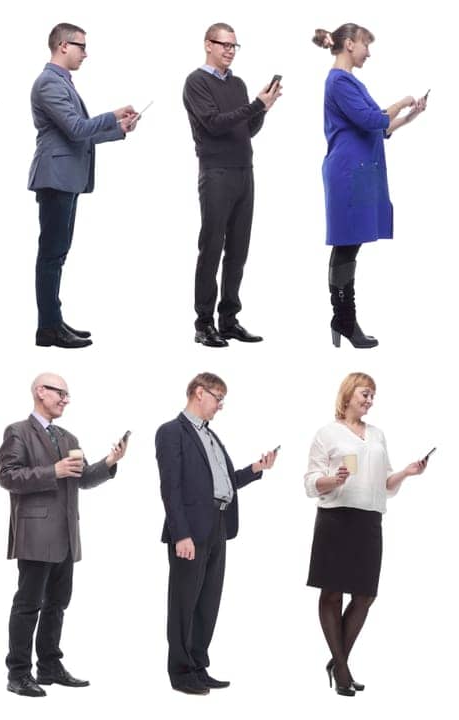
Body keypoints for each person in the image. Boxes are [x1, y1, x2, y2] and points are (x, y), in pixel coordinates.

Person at [0, 373, 125, 697]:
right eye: (61, 393)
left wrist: (109, 462)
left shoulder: (68, 436)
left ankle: (50, 666)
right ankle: (18, 674)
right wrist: (52, 471)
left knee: (57, 604)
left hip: (67, 535)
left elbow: (80, 479)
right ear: (41, 391)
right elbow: (7, 477)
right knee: (28, 605)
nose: (66, 399)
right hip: (36, 533)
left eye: (67, 395)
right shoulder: (18, 432)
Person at [303, 372, 427, 695]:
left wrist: (407, 473)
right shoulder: (327, 434)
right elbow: (310, 481)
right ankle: (342, 668)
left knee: (365, 595)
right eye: (365, 394)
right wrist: (335, 480)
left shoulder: (377, 435)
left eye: (373, 396)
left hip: (369, 522)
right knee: (332, 594)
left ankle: (337, 661)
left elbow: (385, 484)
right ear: (348, 394)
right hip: (336, 519)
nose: (370, 401)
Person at [155, 372, 276, 694]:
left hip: (219, 524)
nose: (220, 406)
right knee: (184, 601)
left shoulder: (211, 436)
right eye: (217, 398)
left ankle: (198, 665)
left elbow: (222, 483)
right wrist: (181, 535)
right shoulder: (171, 432)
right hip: (191, 530)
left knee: (208, 601)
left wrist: (255, 470)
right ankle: (180, 673)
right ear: (198, 393)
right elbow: (171, 487)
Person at [314, 23, 425, 349]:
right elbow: (372, 120)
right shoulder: (338, 81)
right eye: (365, 45)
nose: (369, 51)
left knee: (352, 244)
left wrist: (408, 117)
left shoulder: (350, 82)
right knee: (347, 244)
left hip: (359, 171)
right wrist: (401, 101)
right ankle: (345, 320)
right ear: (349, 44)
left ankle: (344, 319)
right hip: (348, 172)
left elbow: (377, 125)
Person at [28, 23, 136, 349]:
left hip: (67, 178)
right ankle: (48, 328)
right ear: (62, 45)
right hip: (55, 178)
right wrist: (112, 115)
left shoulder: (63, 83)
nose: (85, 53)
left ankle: (53, 321)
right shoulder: (49, 83)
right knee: (51, 254)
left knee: (57, 253)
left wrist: (119, 129)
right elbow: (76, 129)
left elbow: (78, 134)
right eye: (81, 46)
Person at [181, 23, 279, 348]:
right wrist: (254, 105)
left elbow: (245, 129)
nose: (230, 51)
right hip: (216, 172)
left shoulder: (237, 83)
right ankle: (203, 323)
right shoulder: (196, 82)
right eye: (224, 44)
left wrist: (262, 109)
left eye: (235, 46)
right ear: (208, 44)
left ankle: (229, 320)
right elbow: (214, 124)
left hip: (243, 172)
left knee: (238, 249)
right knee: (211, 247)